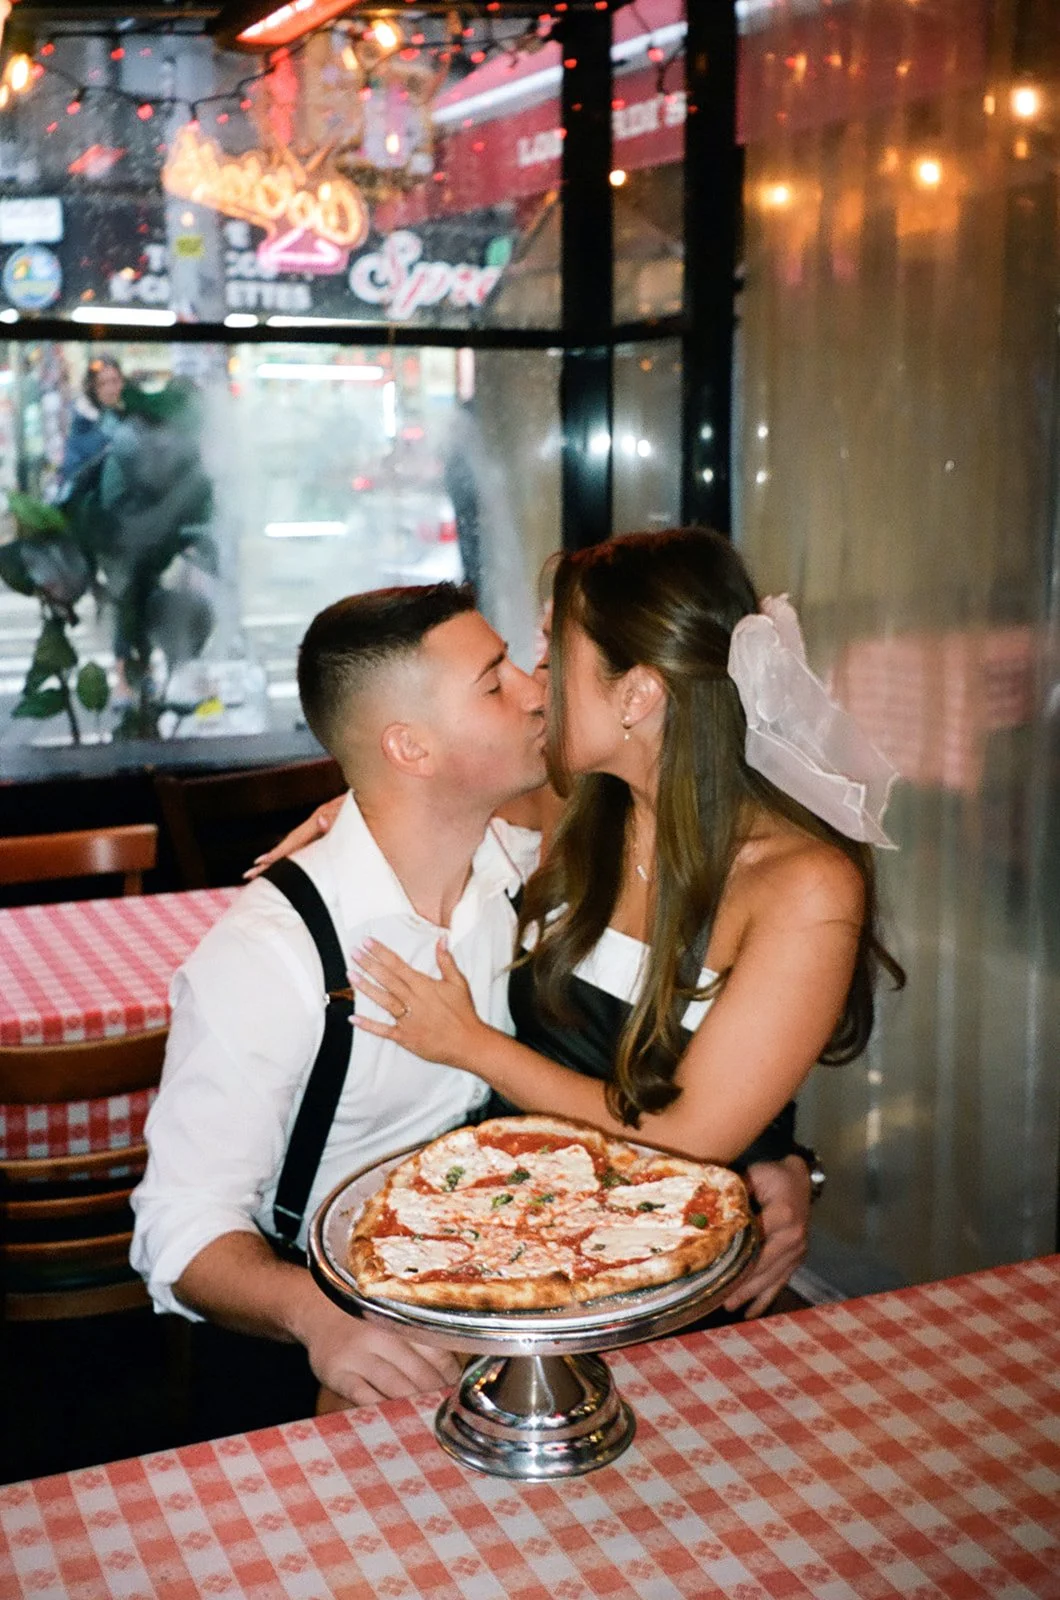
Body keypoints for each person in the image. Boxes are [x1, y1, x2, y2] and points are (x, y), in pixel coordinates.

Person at [341, 528, 905, 1217]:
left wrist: (470, 1045)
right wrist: (332, 826)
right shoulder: (574, 800)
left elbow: (691, 1136)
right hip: (510, 1212)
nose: (534, 687)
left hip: (657, 1246)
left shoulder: (804, 886)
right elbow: (423, 800)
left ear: (637, 694)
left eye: (553, 655)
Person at [61, 354, 124, 493]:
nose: (110, 389)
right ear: (92, 388)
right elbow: (72, 477)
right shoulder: (82, 427)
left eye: (115, 381)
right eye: (102, 383)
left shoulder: (125, 415)